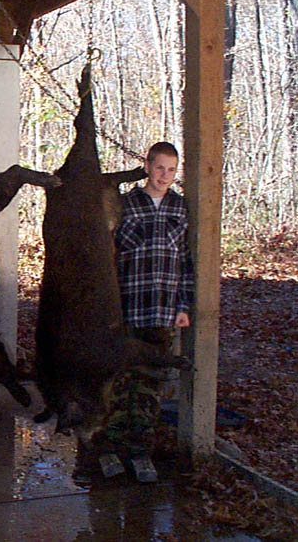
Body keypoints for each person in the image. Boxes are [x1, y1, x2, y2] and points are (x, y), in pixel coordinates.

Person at [107, 141, 194, 482]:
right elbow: (108, 258)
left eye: (172, 170)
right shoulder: (124, 205)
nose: (165, 176)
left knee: (151, 385)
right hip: (127, 309)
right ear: (147, 166)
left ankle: (141, 452)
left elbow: (186, 263)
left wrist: (183, 307)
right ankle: (110, 451)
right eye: (160, 168)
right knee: (119, 382)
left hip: (162, 311)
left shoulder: (180, 208)